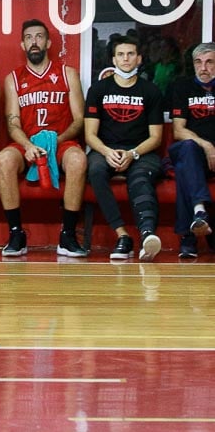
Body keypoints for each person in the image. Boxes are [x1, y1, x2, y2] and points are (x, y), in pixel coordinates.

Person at [0, 19, 88, 258]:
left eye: (39, 37)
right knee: (4, 159)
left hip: (61, 141)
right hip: (27, 143)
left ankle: (67, 235)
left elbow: (79, 120)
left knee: (78, 160)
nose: (34, 42)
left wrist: (55, 142)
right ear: (22, 45)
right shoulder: (13, 79)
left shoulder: (67, 74)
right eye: (28, 38)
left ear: (47, 43)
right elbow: (13, 122)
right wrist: (28, 145)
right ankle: (16, 234)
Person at [84, 33, 164, 262]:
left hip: (141, 151)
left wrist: (132, 153)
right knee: (95, 170)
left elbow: (156, 137)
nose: (126, 59)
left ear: (139, 58)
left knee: (140, 176)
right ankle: (123, 236)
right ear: (114, 59)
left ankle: (147, 235)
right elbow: (90, 135)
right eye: (120, 54)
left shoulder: (150, 91)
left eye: (130, 54)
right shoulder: (98, 90)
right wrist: (107, 152)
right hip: (105, 149)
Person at [168, 41, 215, 259]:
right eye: (198, 62)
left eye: (209, 62)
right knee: (188, 149)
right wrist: (206, 145)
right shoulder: (182, 87)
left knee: (184, 170)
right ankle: (199, 211)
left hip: (198, 161)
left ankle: (189, 238)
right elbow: (178, 130)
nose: (203, 68)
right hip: (192, 149)